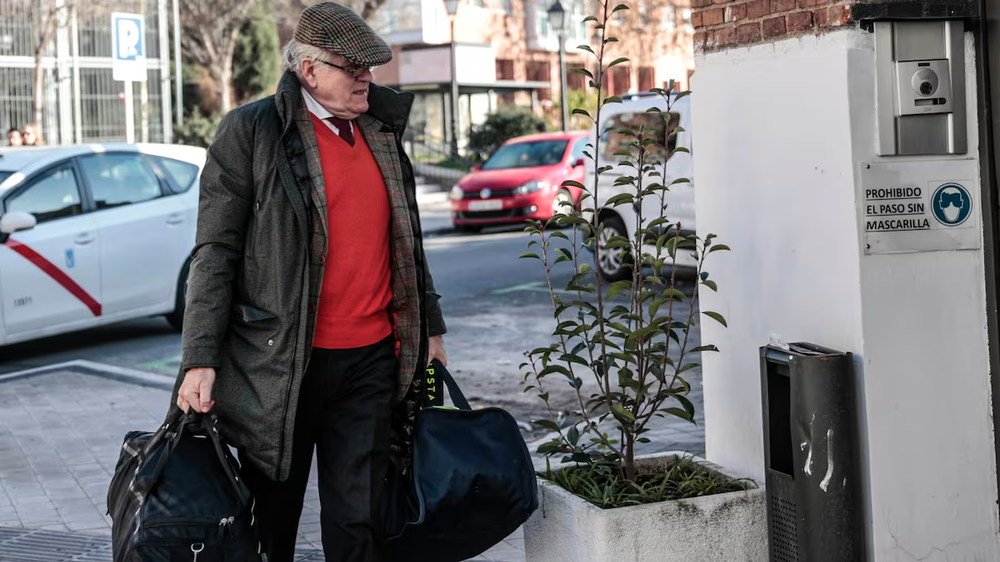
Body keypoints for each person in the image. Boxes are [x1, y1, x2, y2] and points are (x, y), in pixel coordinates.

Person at [171, 3, 448, 561]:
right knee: (270, 527)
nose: (366, 77)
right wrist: (199, 357)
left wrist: (431, 326)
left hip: (370, 363)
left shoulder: (381, 135)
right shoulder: (251, 132)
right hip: (276, 368)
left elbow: (407, 245)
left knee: (359, 524)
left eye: (370, 66)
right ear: (309, 69)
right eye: (353, 66)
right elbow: (215, 251)